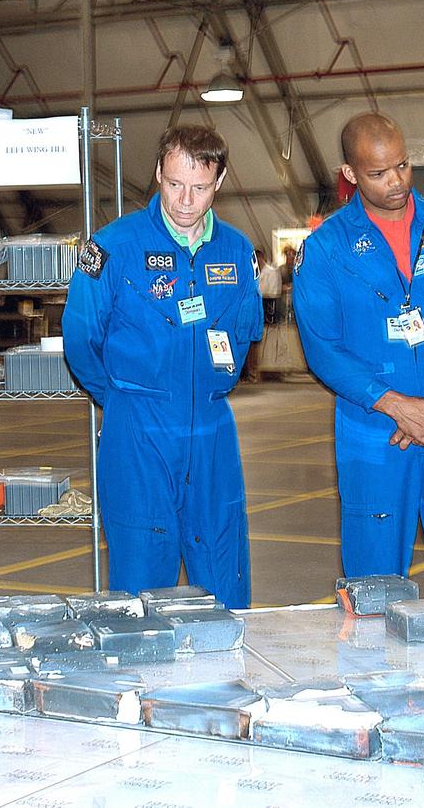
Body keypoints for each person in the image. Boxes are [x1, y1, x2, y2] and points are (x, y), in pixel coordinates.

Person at [293, 113, 424, 597]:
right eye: (378, 173)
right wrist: (394, 403)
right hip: (375, 430)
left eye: (403, 166)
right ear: (350, 174)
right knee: (374, 584)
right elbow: (322, 347)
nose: (395, 182)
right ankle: (375, 675)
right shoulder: (325, 249)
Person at [62, 124, 263, 609]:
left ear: (220, 181)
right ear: (157, 173)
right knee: (140, 573)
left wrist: (215, 384)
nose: (185, 201)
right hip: (138, 428)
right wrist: (122, 399)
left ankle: (227, 673)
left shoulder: (236, 250)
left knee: (222, 569)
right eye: (174, 184)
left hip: (212, 427)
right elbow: (80, 337)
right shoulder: (113, 247)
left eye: (199, 187)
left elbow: (245, 331)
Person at [258, 247, 282, 326]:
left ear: (263, 257)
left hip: (269, 309)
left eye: (259, 256)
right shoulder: (254, 273)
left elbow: (273, 293)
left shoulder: (272, 272)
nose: (258, 259)